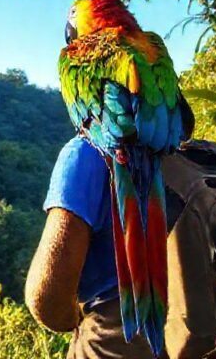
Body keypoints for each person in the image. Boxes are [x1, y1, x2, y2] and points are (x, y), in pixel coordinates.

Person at [25, 135, 160, 359]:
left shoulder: (89, 152)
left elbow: (48, 302)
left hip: (114, 345)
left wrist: (73, 318)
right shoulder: (212, 161)